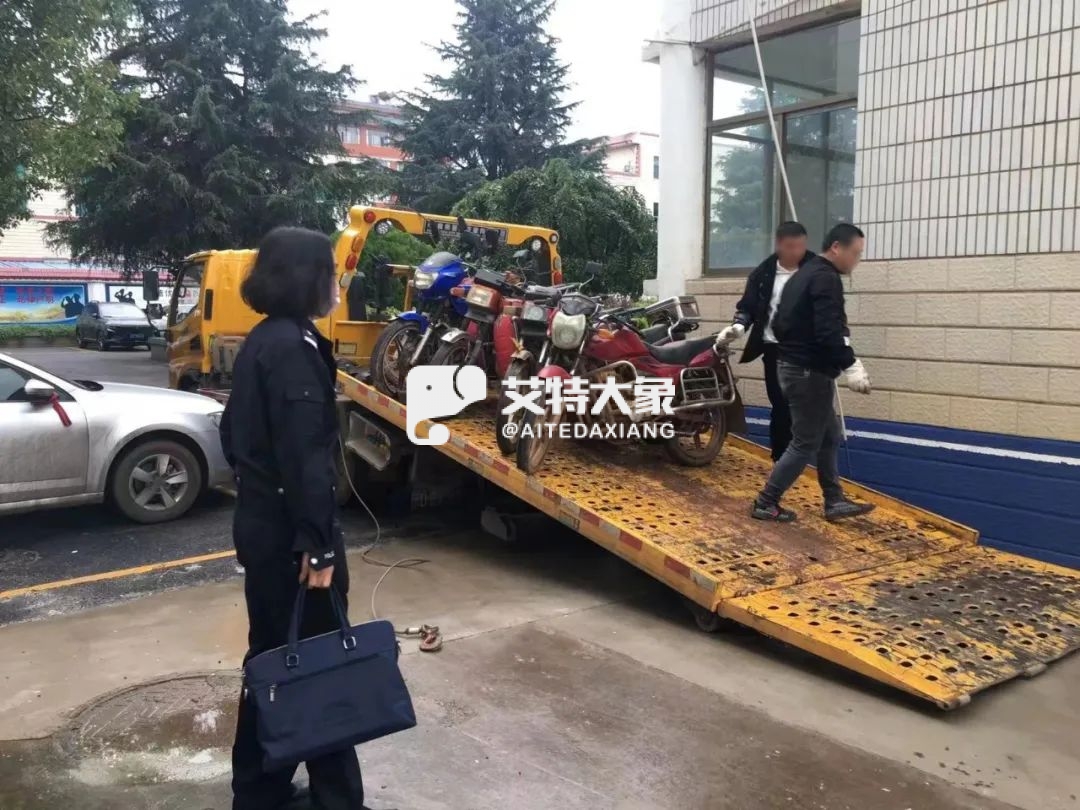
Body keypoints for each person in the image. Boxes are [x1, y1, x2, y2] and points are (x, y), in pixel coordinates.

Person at [221, 227, 368, 810]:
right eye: (331, 272)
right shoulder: (292, 349)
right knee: (319, 665)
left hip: (265, 526)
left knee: (273, 662)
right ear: (309, 278)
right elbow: (306, 456)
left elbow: (233, 437)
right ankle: (334, 799)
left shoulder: (266, 340)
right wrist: (318, 543)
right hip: (294, 541)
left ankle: (259, 789)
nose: (337, 284)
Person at [751, 223, 874, 523]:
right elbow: (828, 330)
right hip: (808, 373)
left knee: (830, 434)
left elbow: (779, 323)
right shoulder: (825, 278)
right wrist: (850, 364)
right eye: (855, 253)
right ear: (836, 247)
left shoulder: (803, 275)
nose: (856, 261)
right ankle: (765, 502)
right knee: (805, 442)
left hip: (795, 367)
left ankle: (834, 500)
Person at [716, 221, 814, 461]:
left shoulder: (817, 270)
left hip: (807, 351)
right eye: (791, 246)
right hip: (775, 350)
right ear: (779, 244)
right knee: (781, 407)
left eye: (801, 246)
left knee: (807, 409)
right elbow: (747, 307)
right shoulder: (763, 274)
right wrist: (739, 326)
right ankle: (780, 462)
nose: (796, 252)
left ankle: (804, 462)